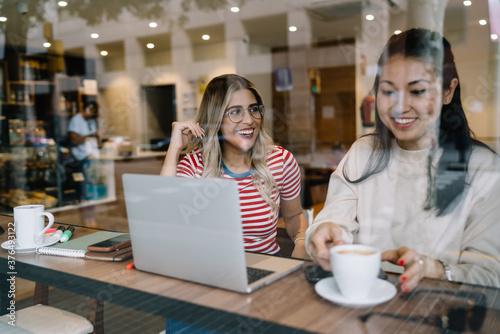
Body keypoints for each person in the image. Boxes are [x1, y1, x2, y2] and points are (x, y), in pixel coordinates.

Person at [305, 28, 500, 292]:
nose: (399, 107)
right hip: (363, 302)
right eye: (388, 92)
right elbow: (334, 221)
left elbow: (490, 274)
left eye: (417, 91)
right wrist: (322, 234)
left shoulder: (481, 167)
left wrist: (438, 270)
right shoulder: (364, 153)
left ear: (447, 91)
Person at [161, 74, 309, 259]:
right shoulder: (194, 165)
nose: (249, 120)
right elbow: (164, 222)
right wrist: (174, 148)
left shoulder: (281, 160)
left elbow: (294, 215)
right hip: (212, 269)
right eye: (236, 112)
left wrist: (302, 242)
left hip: (267, 267)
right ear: (215, 119)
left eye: (253, 109)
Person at [67, 101, 103, 224]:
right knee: (84, 190)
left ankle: (92, 219)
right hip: (81, 159)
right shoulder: (76, 120)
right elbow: (74, 141)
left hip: (92, 158)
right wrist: (90, 135)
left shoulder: (91, 120)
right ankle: (86, 221)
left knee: (92, 188)